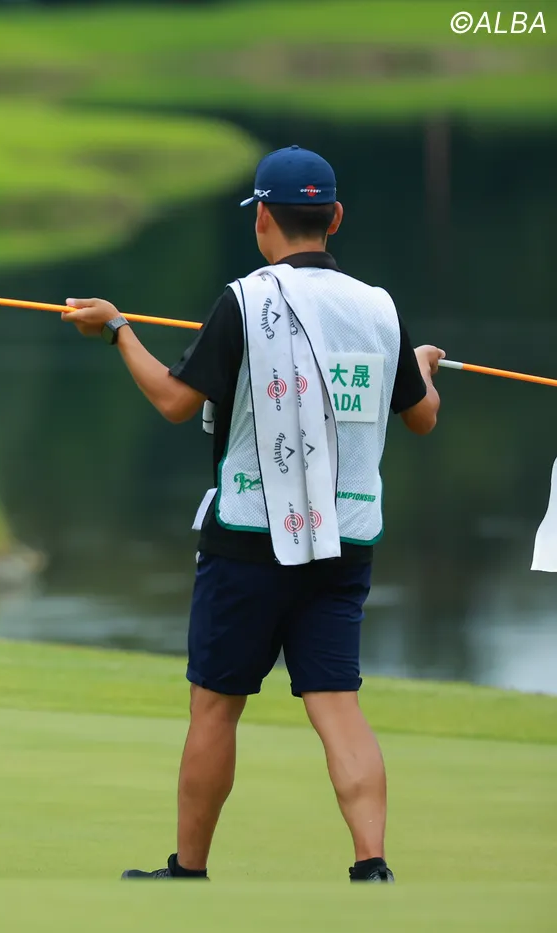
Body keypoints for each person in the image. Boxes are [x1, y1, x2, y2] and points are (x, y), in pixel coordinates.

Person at [60, 146, 444, 883]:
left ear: (262, 217)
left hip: (248, 536)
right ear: (334, 217)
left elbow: (175, 401)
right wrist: (420, 365)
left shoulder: (244, 299)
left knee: (216, 707)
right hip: (345, 542)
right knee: (337, 702)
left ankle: (189, 867)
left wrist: (117, 330)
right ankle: (371, 862)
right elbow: (421, 416)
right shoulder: (380, 308)